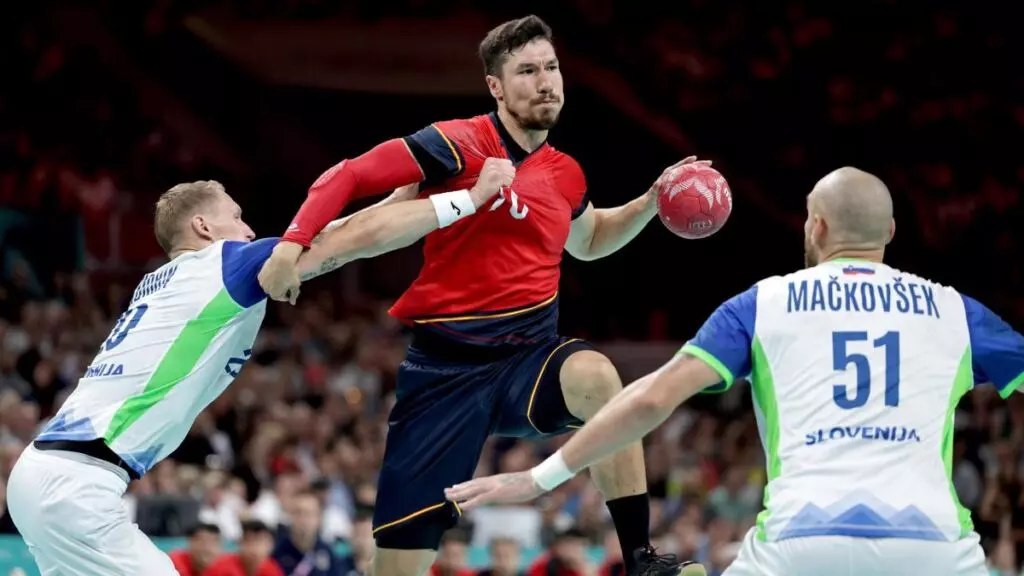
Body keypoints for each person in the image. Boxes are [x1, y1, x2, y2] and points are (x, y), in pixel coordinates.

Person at [257, 14, 706, 576]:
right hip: (444, 374)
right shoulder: (458, 142)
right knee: (396, 568)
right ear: (496, 86)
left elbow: (588, 242)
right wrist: (292, 242)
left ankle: (640, 560)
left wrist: (647, 205)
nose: (545, 82)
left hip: (526, 359)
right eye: (526, 71)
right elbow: (349, 175)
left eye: (551, 68)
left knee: (598, 378)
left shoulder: (565, 172)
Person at [445, 166, 1024, 575]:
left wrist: (538, 477)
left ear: (815, 227)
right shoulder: (955, 310)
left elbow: (651, 400)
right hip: (932, 548)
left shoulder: (763, 303)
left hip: (801, 542)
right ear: (890, 234)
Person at [4, 176, 505, 576]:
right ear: (203, 227)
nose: (249, 230)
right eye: (238, 218)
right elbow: (346, 244)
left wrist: (393, 203)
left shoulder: (164, 283)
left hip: (42, 475)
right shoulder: (222, 264)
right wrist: (468, 199)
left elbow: (328, 238)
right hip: (76, 484)